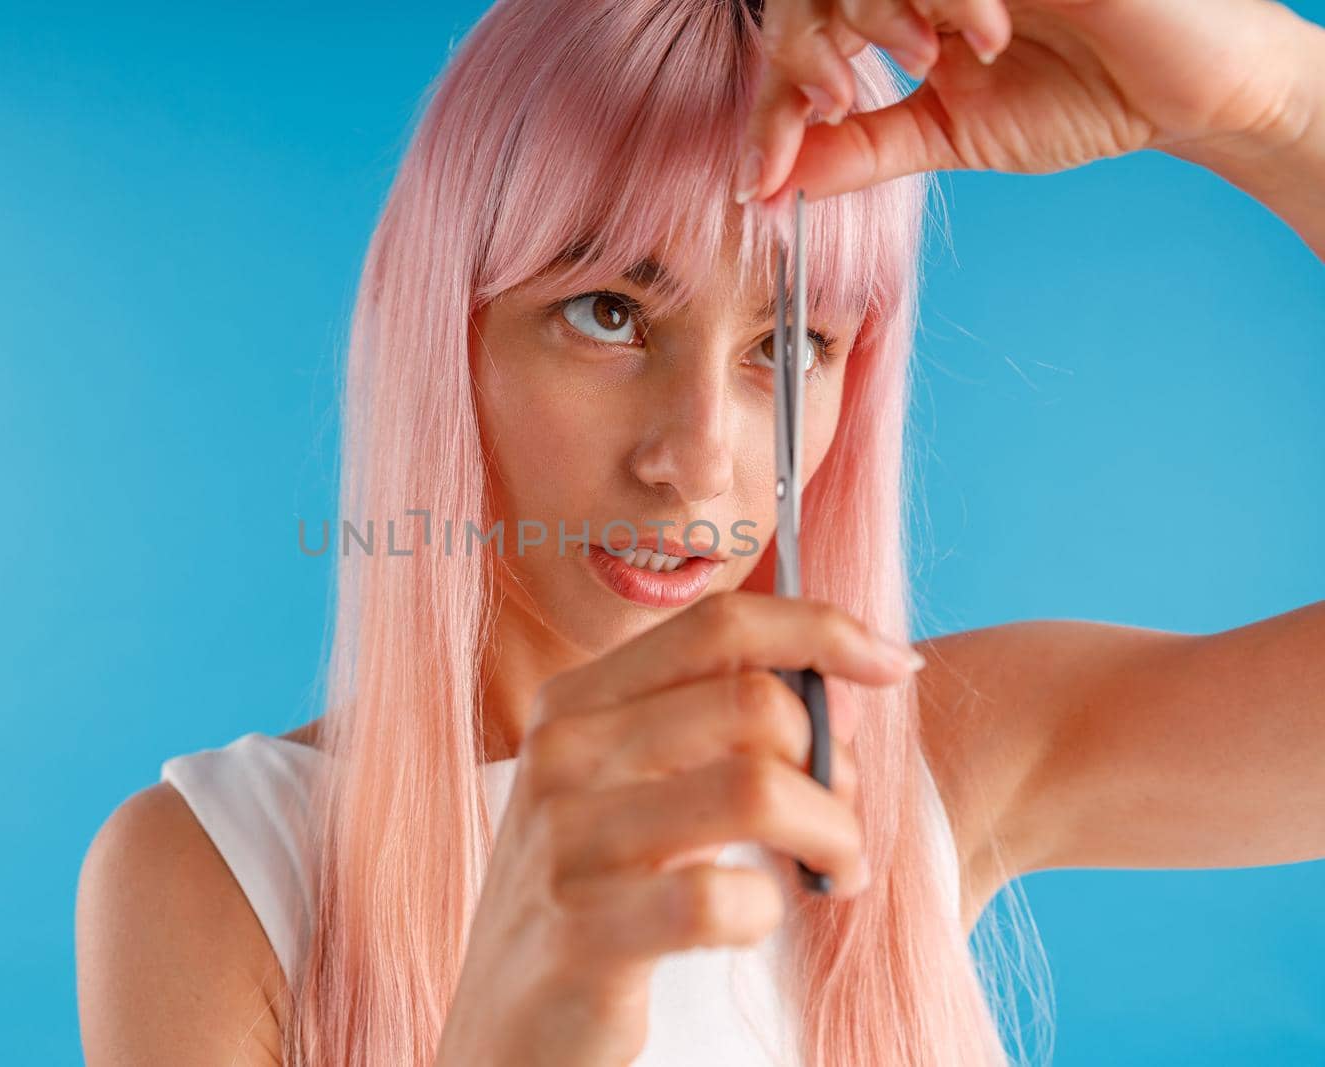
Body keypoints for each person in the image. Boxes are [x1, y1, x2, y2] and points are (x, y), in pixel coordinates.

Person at [75, 1, 1325, 1064]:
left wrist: (1279, 104)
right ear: (444, 333)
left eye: (789, 346)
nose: (697, 465)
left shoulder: (931, 763)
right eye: (607, 312)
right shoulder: (213, 876)